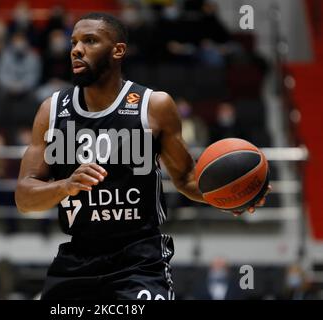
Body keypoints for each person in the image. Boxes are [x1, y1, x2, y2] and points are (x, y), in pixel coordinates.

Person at [14, 12, 269, 300]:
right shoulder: (52, 110)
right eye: (74, 42)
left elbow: (186, 178)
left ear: (118, 50)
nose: (76, 49)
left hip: (139, 258)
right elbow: (24, 197)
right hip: (78, 257)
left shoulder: (154, 106)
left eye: (90, 40)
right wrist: (65, 186)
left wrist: (235, 193)